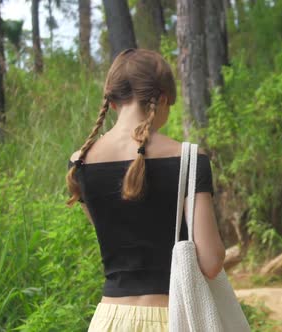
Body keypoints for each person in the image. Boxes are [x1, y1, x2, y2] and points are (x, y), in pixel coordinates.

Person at [65, 48, 226, 332]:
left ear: (112, 103)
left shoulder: (80, 162)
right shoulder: (189, 160)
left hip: (109, 320)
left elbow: (111, 232)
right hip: (174, 319)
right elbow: (211, 262)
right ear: (162, 99)